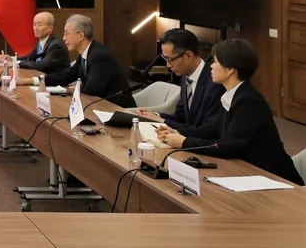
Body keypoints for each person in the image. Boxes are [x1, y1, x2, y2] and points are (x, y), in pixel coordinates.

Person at [157, 39, 303, 186]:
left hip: (275, 178)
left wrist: (184, 142)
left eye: (215, 62)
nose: (211, 66)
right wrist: (177, 132)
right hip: (249, 173)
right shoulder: (231, 95)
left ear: (230, 69)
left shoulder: (249, 101)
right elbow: (210, 131)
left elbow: (228, 146)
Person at [16, 14, 136, 108]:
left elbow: (92, 88)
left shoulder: (99, 56)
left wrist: (76, 87)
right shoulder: (86, 53)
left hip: (117, 109)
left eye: (66, 34)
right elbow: (67, 75)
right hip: (98, 106)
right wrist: (33, 80)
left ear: (80, 35)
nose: (64, 38)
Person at [136, 28, 223, 134]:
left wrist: (162, 121)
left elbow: (207, 130)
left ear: (188, 56)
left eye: (170, 59)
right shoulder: (185, 76)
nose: (168, 65)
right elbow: (180, 116)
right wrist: (156, 115)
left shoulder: (216, 83)